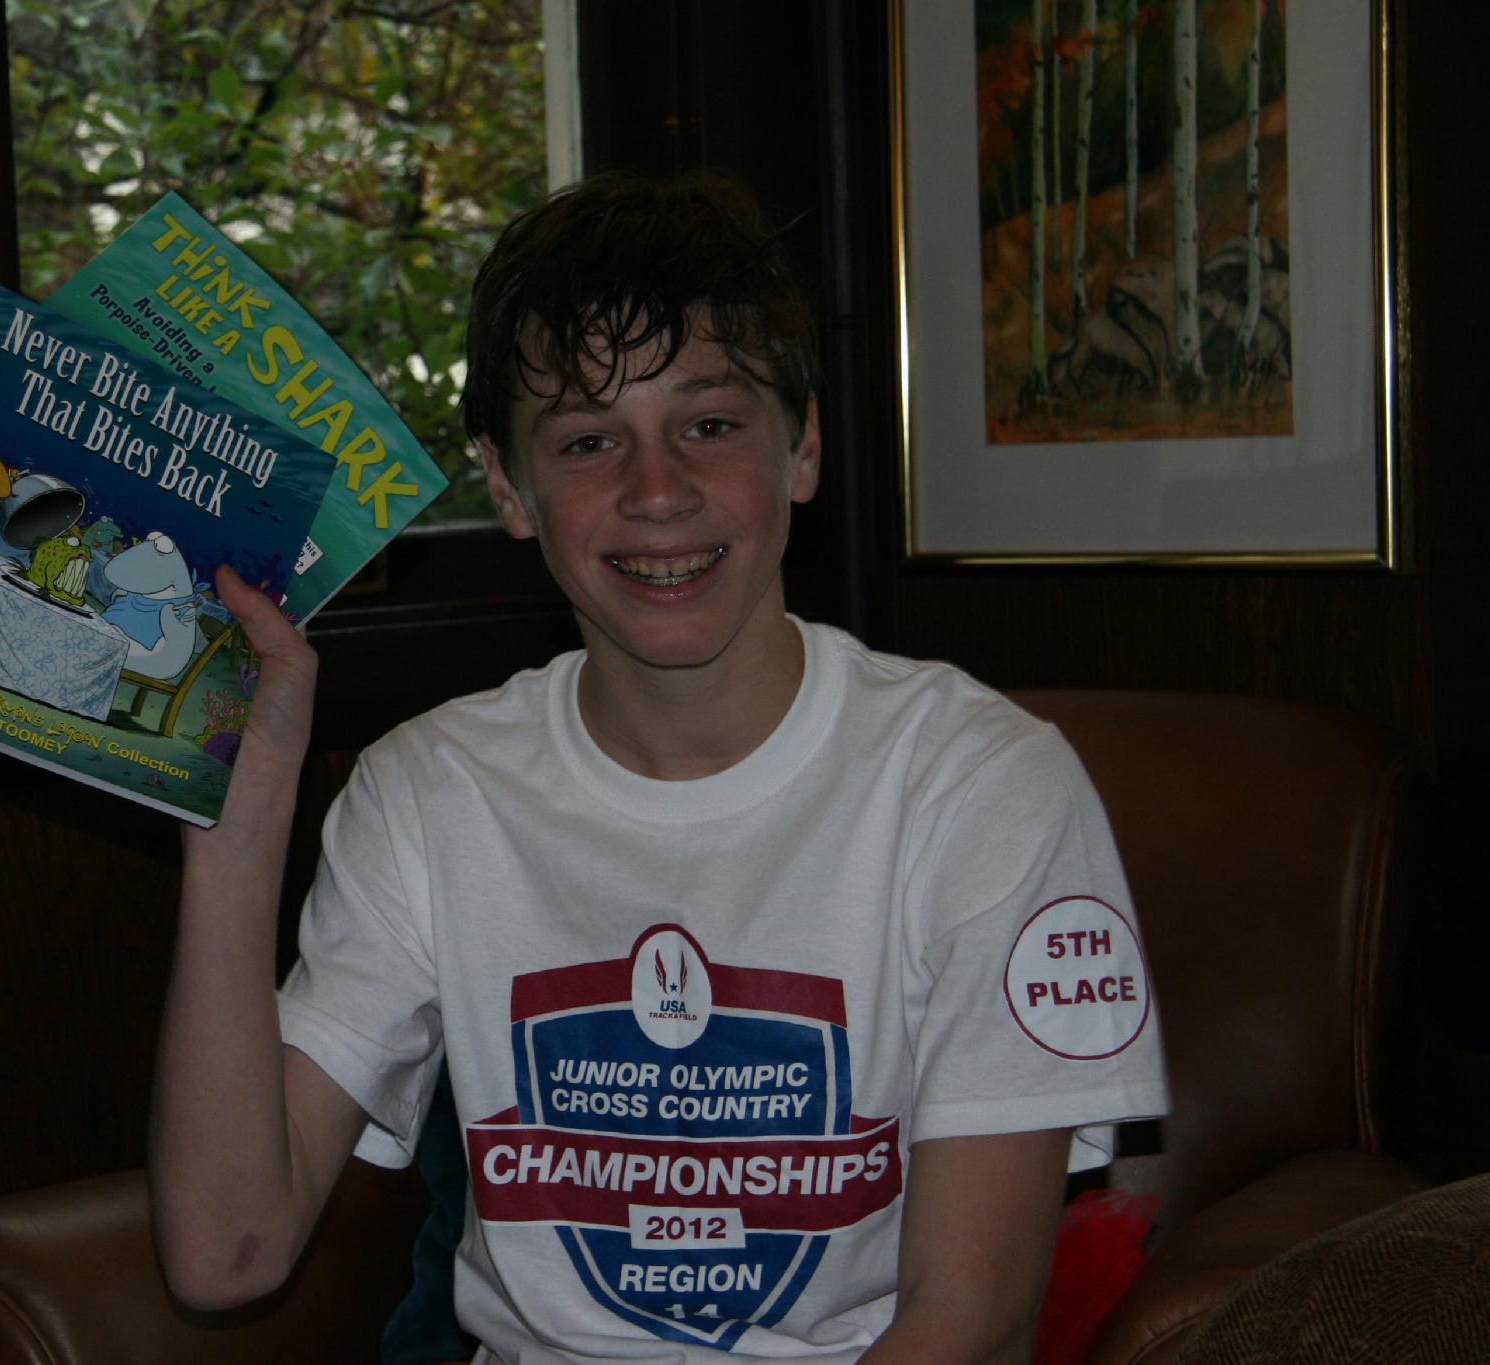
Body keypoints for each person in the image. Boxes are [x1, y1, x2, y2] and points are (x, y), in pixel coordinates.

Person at [150, 171, 1169, 1363]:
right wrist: (236, 809)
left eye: (709, 425)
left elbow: (970, 1323)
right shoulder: (427, 793)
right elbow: (226, 1254)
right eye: (588, 441)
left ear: (801, 446)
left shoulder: (980, 784)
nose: (655, 491)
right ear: (506, 487)